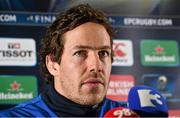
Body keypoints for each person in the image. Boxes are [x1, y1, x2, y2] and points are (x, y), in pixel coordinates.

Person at [0, 4, 127, 117]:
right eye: (80, 53)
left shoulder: (130, 113)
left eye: (103, 53)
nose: (96, 66)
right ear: (52, 65)